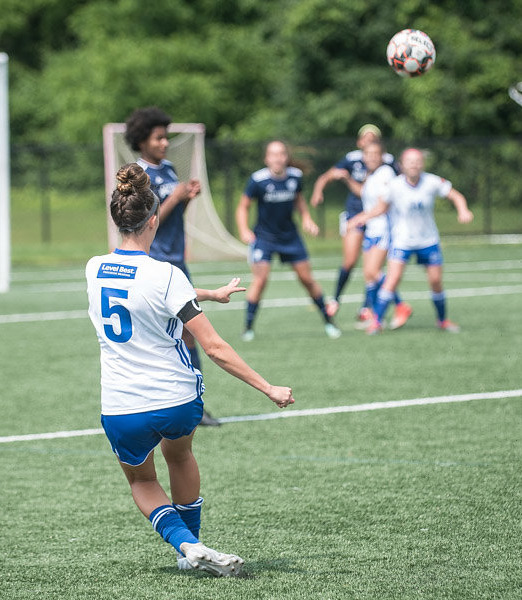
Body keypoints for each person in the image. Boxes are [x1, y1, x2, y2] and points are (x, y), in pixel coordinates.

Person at [86, 163, 295, 576]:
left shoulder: (93, 268)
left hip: (121, 405)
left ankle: (186, 545)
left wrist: (209, 294)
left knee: (143, 483)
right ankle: (191, 550)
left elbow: (135, 285)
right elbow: (214, 347)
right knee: (179, 457)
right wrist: (267, 387)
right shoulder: (167, 275)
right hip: (175, 399)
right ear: (155, 218)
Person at [124, 106, 220, 427]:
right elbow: (143, 223)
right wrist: (175, 198)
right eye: (159, 138)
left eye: (167, 137)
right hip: (152, 264)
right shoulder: (137, 176)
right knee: (159, 336)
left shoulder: (167, 169)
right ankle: (154, 403)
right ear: (141, 140)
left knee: (189, 333)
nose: (165, 143)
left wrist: (187, 197)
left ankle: (195, 405)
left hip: (176, 262)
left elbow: (172, 216)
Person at [348, 148, 473, 334]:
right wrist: (363, 217)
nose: (414, 164)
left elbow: (456, 195)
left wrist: (463, 210)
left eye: (417, 160)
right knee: (392, 280)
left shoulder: (432, 181)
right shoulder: (394, 185)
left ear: (422, 163)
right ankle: (377, 322)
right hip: (402, 241)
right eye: (410, 161)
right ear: (402, 164)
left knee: (436, 281)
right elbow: (381, 207)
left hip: (428, 240)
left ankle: (442, 321)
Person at [235, 140, 341, 341]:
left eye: (281, 154)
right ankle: (248, 328)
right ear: (267, 158)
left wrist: (307, 218)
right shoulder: (257, 180)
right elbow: (243, 206)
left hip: (290, 237)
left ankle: (329, 322)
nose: (277, 158)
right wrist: (243, 229)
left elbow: (299, 201)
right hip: (264, 238)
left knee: (307, 280)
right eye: (273, 154)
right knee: (260, 280)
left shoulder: (295, 177)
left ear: (286, 157)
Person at [310, 124, 398, 321]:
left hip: (378, 218)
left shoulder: (386, 164)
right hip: (356, 215)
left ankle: (369, 308)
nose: (369, 142)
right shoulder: (353, 159)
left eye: (373, 138)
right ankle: (336, 299)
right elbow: (328, 176)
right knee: (350, 261)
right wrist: (318, 191)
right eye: (365, 138)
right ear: (360, 143)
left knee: (373, 269)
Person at [346, 140, 413, 330]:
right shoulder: (371, 175)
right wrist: (347, 180)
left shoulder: (386, 174)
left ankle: (401, 305)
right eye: (368, 154)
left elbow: (384, 205)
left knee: (374, 272)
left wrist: (360, 217)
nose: (372, 157)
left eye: (376, 154)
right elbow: (363, 193)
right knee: (369, 275)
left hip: (384, 229)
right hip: (372, 229)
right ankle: (377, 316)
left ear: (382, 156)